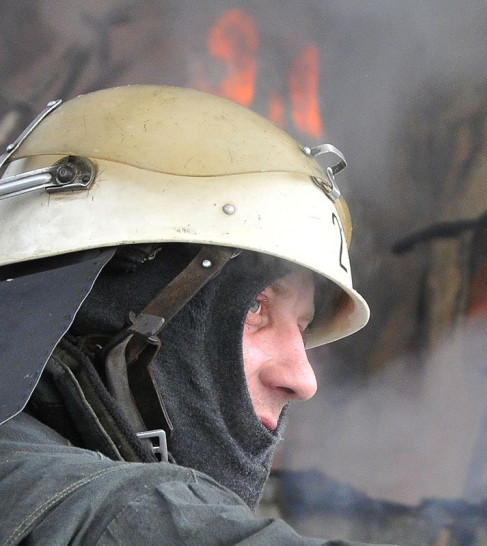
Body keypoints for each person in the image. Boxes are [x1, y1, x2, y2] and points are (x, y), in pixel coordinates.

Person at [0, 85, 385, 544]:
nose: (303, 379)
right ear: (114, 306)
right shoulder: (85, 507)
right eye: (256, 307)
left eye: (302, 329)